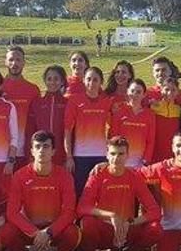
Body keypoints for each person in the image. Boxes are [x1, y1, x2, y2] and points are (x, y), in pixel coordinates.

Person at [77, 136, 163, 251]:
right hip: (105, 230)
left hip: (126, 230)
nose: (116, 158)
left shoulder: (133, 176)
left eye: (121, 154)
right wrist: (111, 215)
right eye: (113, 154)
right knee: (86, 223)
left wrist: (131, 222)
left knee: (156, 228)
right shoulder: (98, 175)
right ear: (106, 154)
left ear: (128, 155)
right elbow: (82, 208)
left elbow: (154, 211)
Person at [1, 131, 81, 251]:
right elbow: (12, 213)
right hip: (30, 230)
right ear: (31, 150)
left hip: (54, 230)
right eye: (37, 147)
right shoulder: (20, 176)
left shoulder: (64, 176)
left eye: (46, 146)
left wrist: (49, 232)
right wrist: (35, 233)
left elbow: (69, 212)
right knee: (6, 232)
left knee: (74, 233)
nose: (41, 150)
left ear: (53, 151)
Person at [64, 66, 112, 197]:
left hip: (101, 156)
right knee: (81, 192)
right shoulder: (75, 100)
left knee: (100, 193)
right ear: (83, 81)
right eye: (88, 79)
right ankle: (80, 218)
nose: (92, 83)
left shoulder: (107, 103)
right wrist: (69, 157)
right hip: (80, 156)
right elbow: (67, 131)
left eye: (95, 80)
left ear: (101, 82)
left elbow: (111, 128)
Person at [1, 46, 41, 169]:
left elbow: (36, 121)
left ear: (24, 62)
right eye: (11, 60)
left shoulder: (32, 89)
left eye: (18, 60)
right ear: (5, 62)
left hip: (23, 151)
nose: (15, 63)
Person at [27, 65, 68, 167]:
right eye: (49, 79)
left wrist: (69, 156)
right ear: (44, 81)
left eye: (56, 79)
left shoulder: (68, 103)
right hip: (41, 153)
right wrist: (30, 154)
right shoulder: (37, 103)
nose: (52, 82)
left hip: (62, 154)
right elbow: (30, 131)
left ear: (62, 81)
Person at [110, 79, 155, 168]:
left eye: (138, 92)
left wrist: (145, 161)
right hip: (120, 162)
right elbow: (113, 137)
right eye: (132, 91)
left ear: (144, 95)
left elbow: (150, 141)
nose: (134, 95)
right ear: (127, 91)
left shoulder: (150, 114)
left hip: (140, 164)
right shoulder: (119, 111)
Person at [149, 77, 181, 163]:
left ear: (178, 92)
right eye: (167, 89)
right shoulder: (153, 106)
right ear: (161, 90)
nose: (170, 93)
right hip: (155, 149)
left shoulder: (179, 109)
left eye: (173, 90)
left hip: (172, 150)